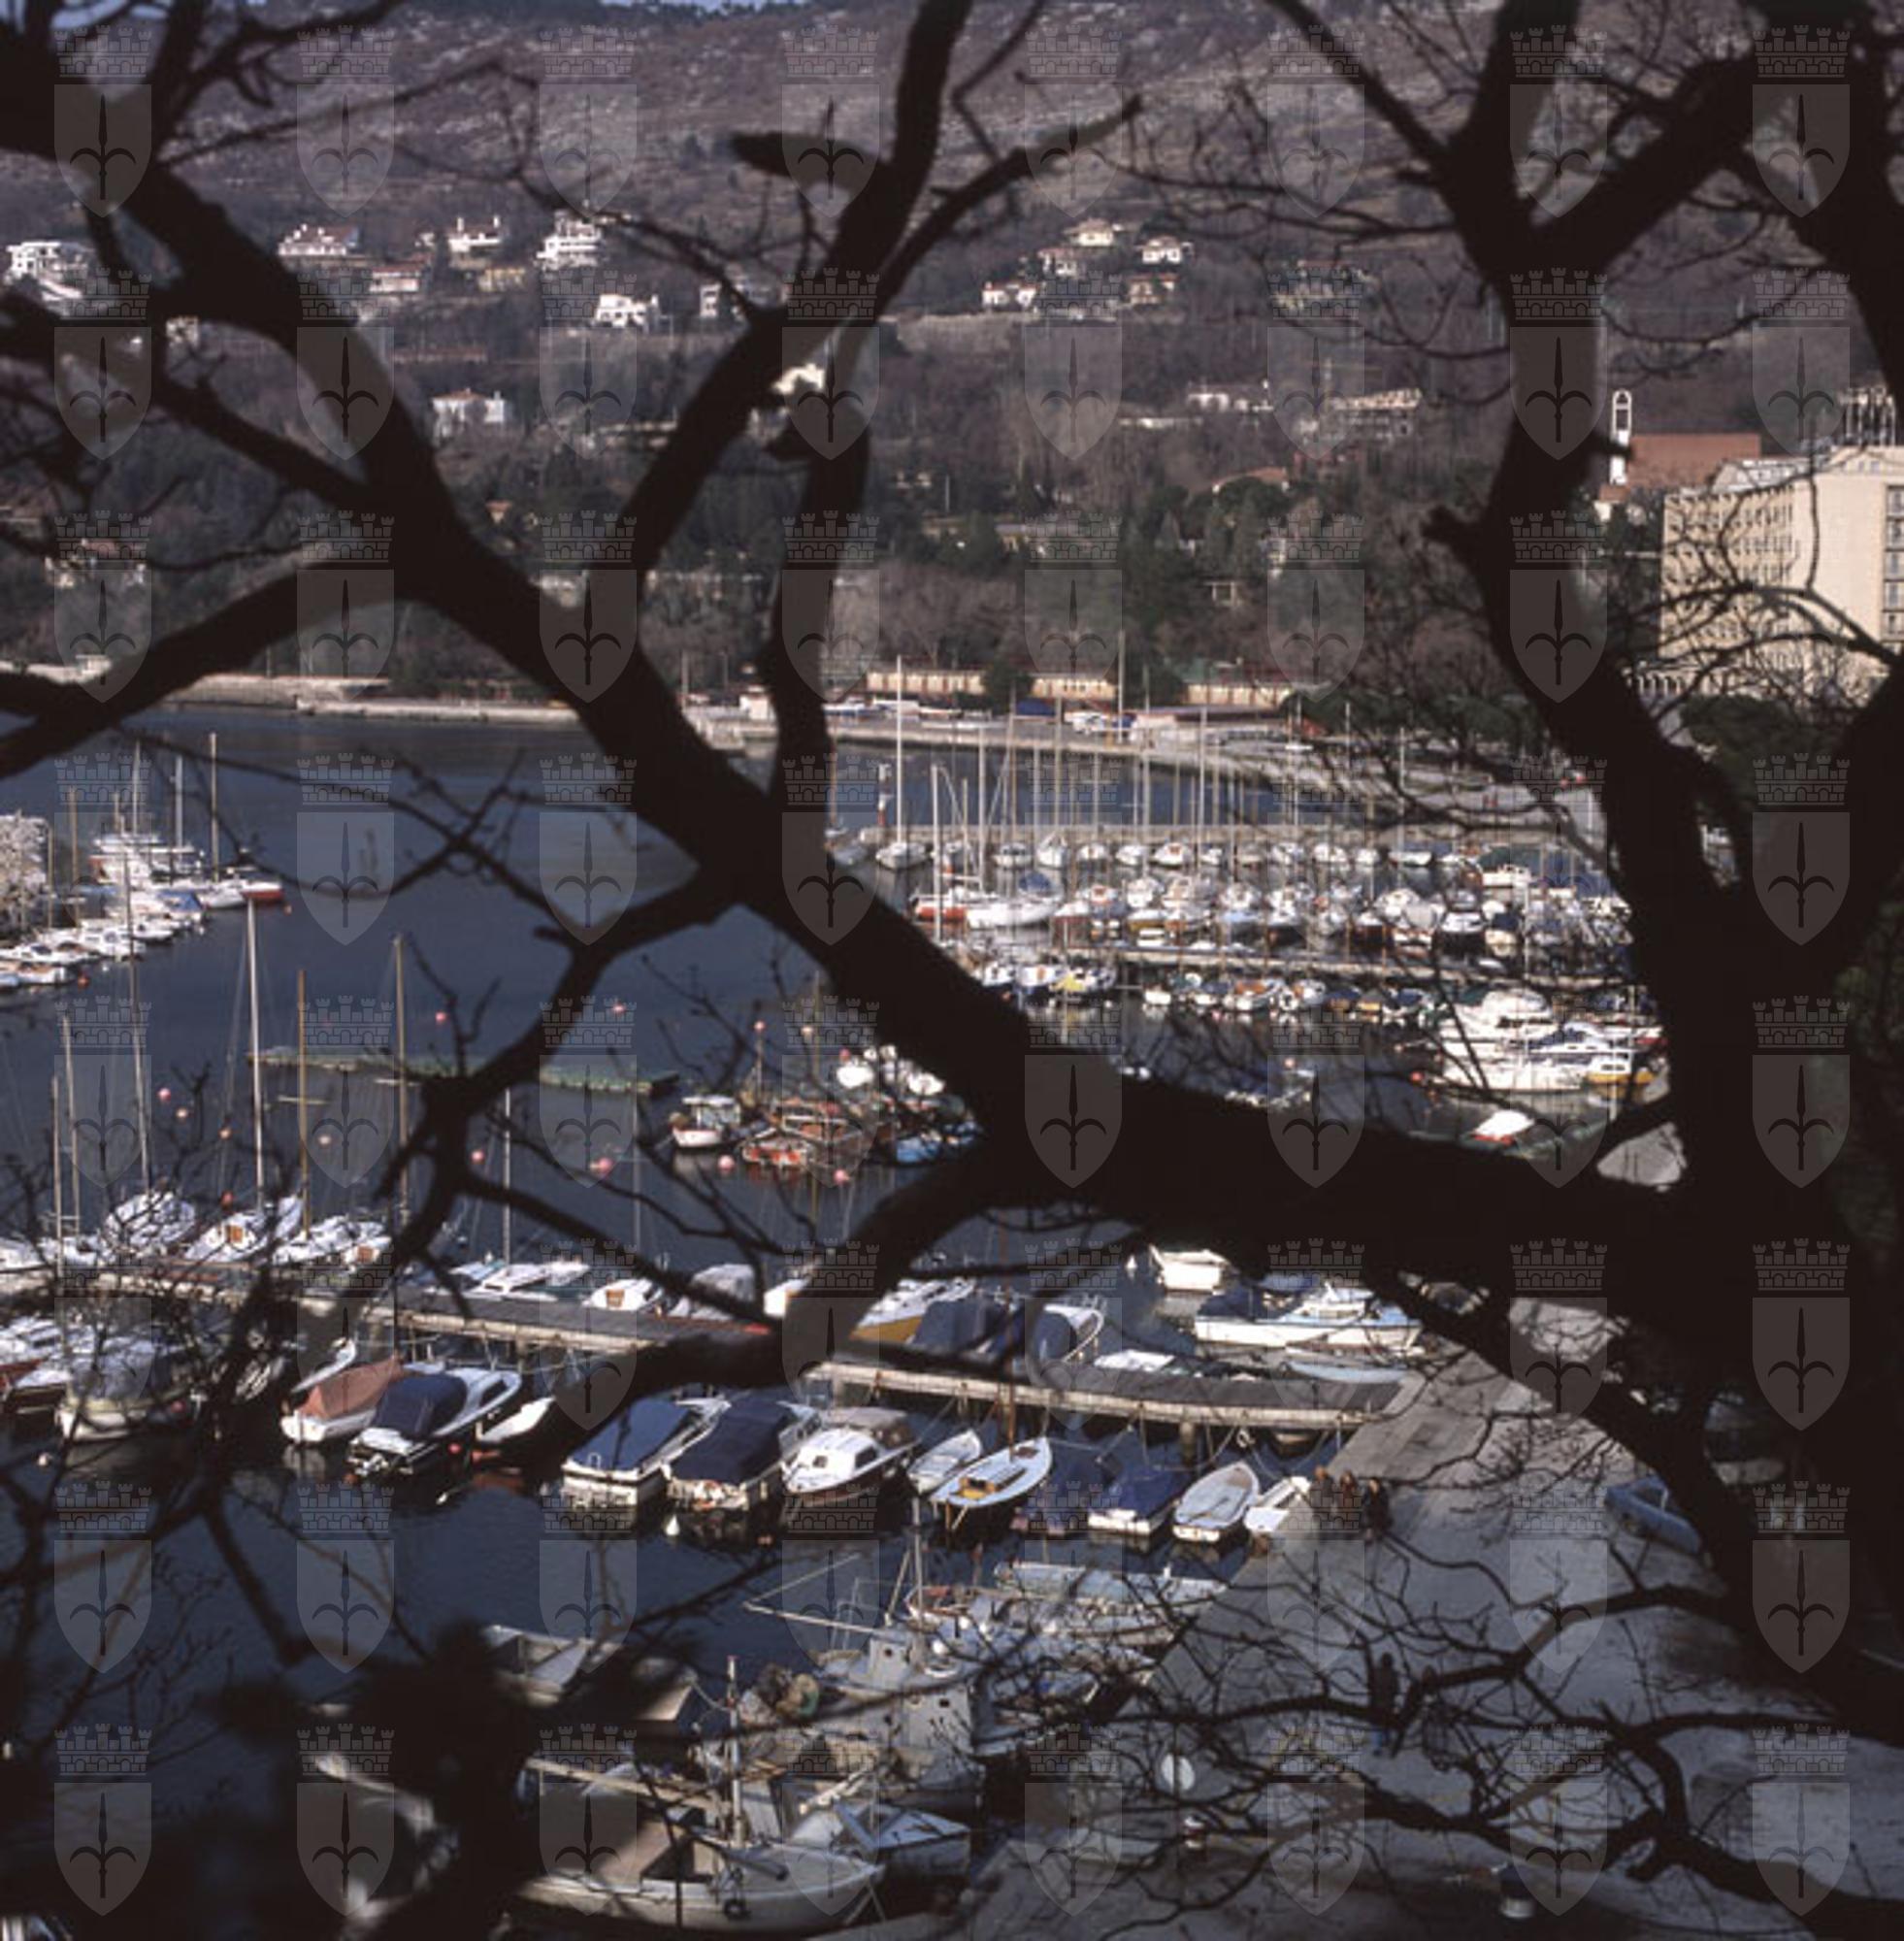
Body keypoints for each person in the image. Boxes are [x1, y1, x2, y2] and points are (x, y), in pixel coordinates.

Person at [1368, 1651, 1401, 1757]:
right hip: (1388, 1703)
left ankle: (1377, 1746)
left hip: (1377, 1703)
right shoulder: (1393, 1674)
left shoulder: (1376, 1672)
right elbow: (1397, 1689)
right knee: (1386, 1722)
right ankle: (1385, 1740)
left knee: (1377, 1725)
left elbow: (1370, 1686)